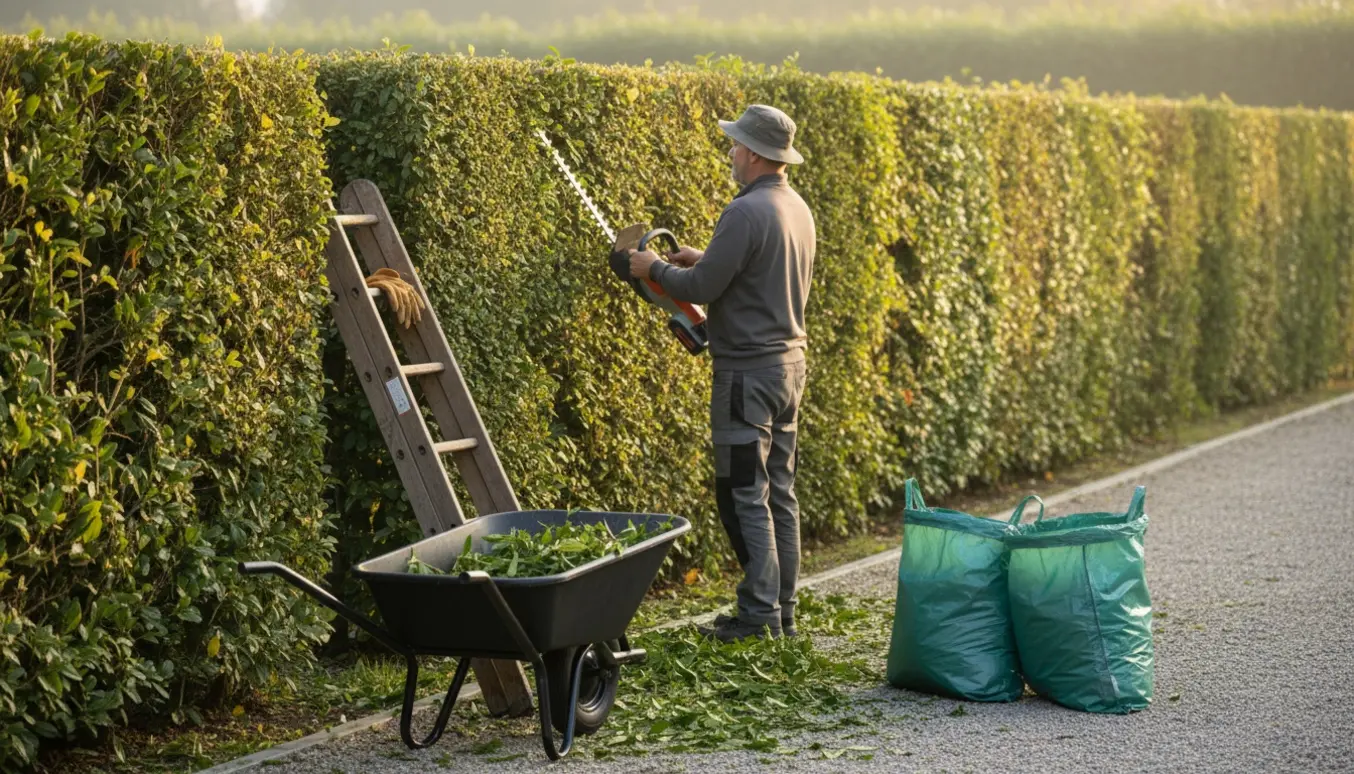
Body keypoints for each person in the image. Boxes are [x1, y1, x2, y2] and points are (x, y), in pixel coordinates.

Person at [627, 104, 816, 642]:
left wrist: (654, 268)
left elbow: (700, 289)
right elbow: (750, 269)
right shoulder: (795, 207)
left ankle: (756, 617)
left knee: (743, 491)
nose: (731, 152)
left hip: (746, 376)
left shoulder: (744, 211)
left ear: (754, 153)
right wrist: (704, 256)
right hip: (788, 369)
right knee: (779, 489)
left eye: (735, 144)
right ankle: (782, 611)